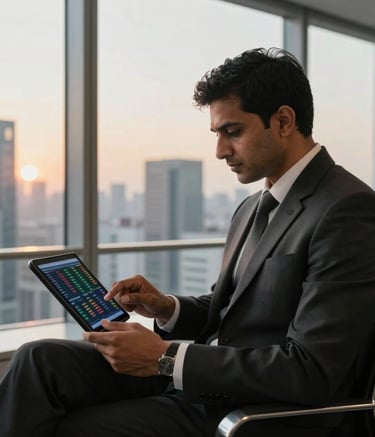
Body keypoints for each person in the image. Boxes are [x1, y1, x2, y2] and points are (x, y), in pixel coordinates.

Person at [1, 47, 375, 437]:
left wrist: (164, 358)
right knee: (38, 359)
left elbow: (310, 370)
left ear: (283, 121)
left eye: (233, 132)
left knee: (75, 428)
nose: (220, 151)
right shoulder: (251, 208)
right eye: (217, 134)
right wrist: (166, 308)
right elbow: (230, 310)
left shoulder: (346, 211)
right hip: (204, 378)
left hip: (255, 410)